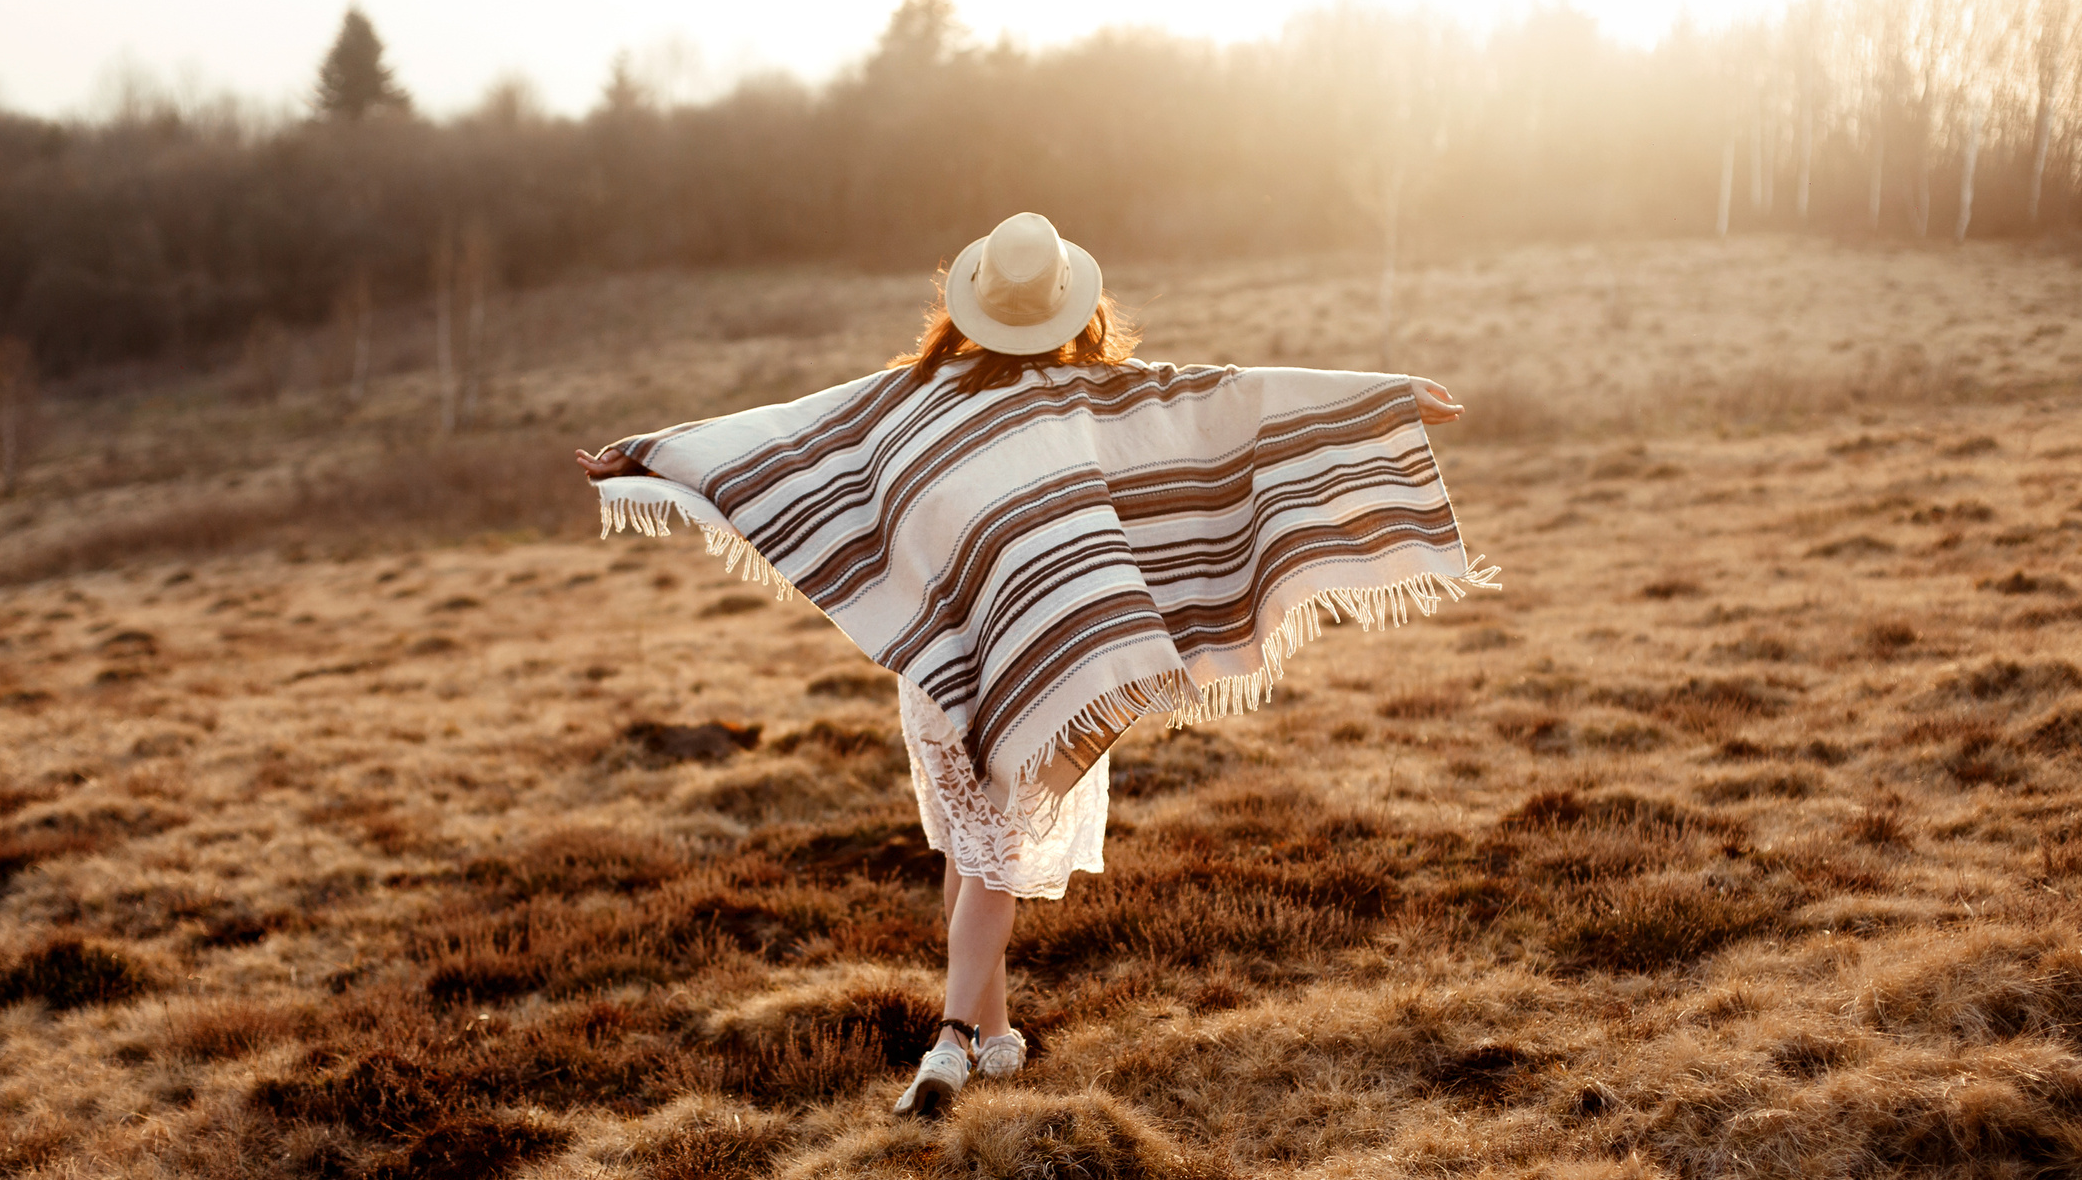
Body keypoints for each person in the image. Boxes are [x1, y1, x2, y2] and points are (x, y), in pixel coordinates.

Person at [576, 212, 1489, 1119]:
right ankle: (951, 1042)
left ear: (971, 306)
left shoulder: (909, 399)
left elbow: (789, 437)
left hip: (946, 668)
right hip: (1068, 665)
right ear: (1070, 308)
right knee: (994, 857)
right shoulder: (1108, 394)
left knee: (970, 846)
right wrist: (1388, 398)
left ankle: (998, 1037)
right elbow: (1235, 401)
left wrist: (650, 455)